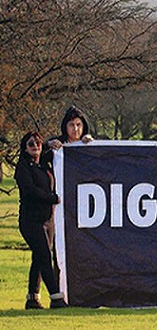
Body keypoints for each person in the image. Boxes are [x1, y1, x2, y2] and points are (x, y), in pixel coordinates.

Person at [14, 131, 68, 309]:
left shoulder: (44, 164)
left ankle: (32, 298)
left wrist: (56, 142)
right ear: (25, 148)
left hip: (48, 220)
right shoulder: (23, 168)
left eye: (38, 143)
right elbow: (29, 190)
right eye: (31, 144)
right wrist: (52, 198)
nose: (35, 146)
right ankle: (56, 297)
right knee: (45, 255)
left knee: (39, 257)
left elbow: (63, 142)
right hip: (31, 221)